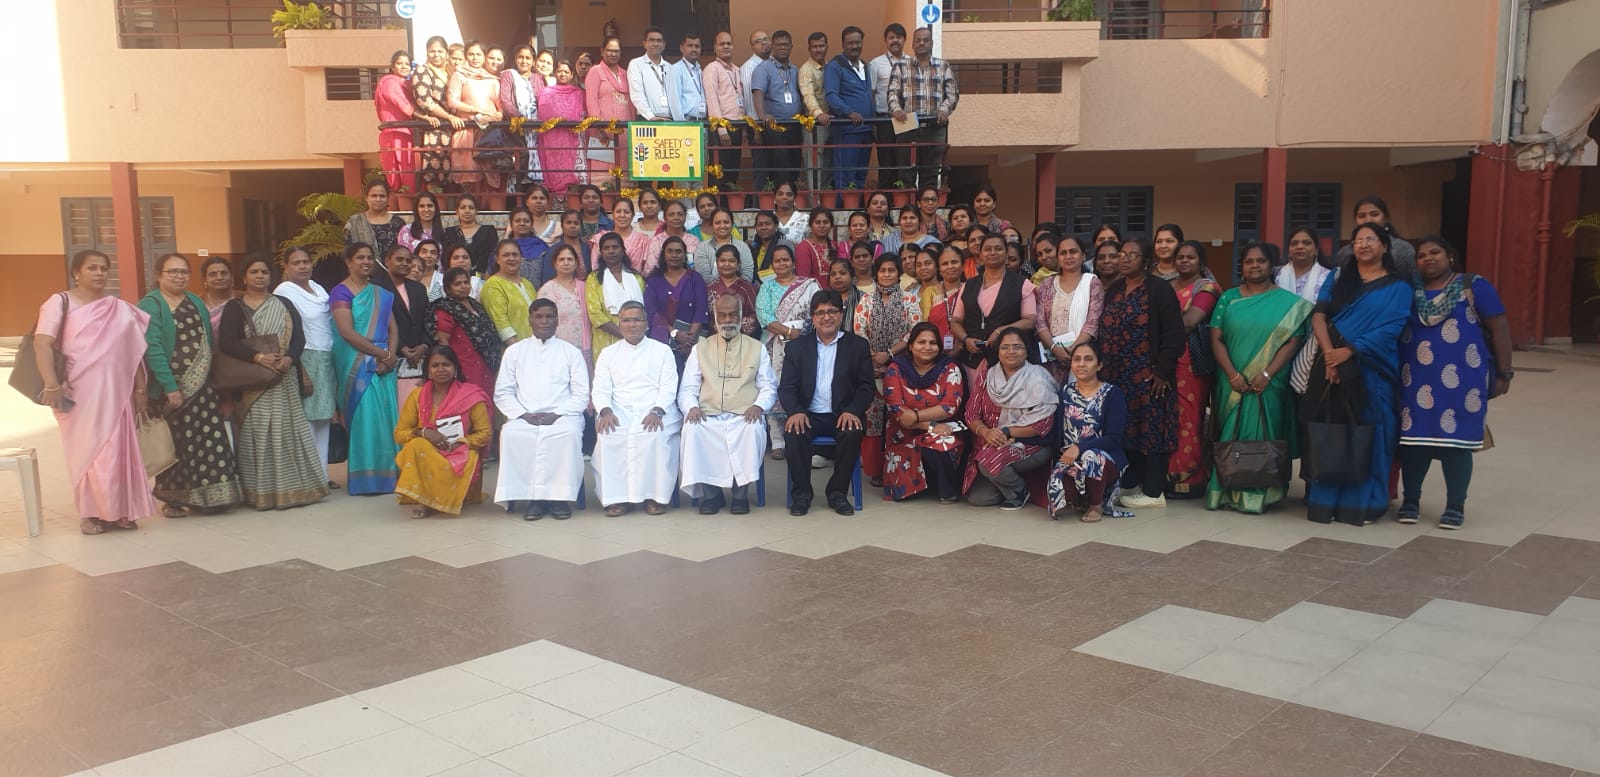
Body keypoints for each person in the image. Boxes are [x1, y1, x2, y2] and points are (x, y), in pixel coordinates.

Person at [35, 250, 157, 534]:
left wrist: (140, 388)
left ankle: (121, 510)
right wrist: (51, 384)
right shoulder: (59, 302)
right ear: (76, 273)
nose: (100, 273)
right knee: (89, 453)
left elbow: (135, 351)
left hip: (118, 391)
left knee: (119, 450)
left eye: (103, 268)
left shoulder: (118, 308)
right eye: (92, 268)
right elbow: (42, 343)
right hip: (79, 391)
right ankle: (91, 514)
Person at [1396, 235, 1512, 530]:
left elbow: (1499, 328)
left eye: (1434, 252)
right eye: (1421, 255)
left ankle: (1455, 506)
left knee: (1456, 444)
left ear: (1449, 256)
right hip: (1415, 379)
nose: (1428, 258)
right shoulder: (1409, 290)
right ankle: (1411, 502)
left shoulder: (1473, 286)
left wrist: (1504, 372)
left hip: (1463, 381)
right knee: (1414, 443)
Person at [1301, 222, 1412, 526]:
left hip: (1371, 369)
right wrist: (1330, 356)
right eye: (1357, 240)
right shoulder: (1338, 278)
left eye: (1370, 239)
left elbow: (1392, 326)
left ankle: (1364, 503)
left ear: (1385, 246)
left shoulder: (1399, 287)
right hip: (1329, 366)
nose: (1362, 244)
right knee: (1332, 432)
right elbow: (1319, 317)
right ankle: (1325, 502)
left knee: (1371, 434)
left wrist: (1350, 352)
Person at [1206, 241, 1312, 514]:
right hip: (1231, 381)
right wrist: (1232, 375)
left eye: (1261, 261)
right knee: (1230, 434)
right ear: (1241, 266)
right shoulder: (1228, 298)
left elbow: (1293, 340)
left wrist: (1267, 373)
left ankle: (1262, 493)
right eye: (1249, 261)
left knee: (1266, 433)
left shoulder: (1288, 303)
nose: (1255, 266)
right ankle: (1225, 491)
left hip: (1269, 383)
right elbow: (1215, 338)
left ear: (1271, 265)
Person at [216, 253, 328, 511]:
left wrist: (290, 358)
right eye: (254, 272)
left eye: (264, 272)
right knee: (258, 433)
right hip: (254, 380)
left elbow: (299, 337)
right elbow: (227, 342)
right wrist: (258, 357)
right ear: (244, 277)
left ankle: (295, 488)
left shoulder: (284, 303)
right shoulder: (235, 307)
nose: (259, 276)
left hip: (283, 378)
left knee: (288, 432)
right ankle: (261, 492)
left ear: (271, 276)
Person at [137, 253, 242, 517]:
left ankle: (213, 498)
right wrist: (170, 386)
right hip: (172, 390)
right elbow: (153, 348)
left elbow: (208, 341)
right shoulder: (151, 304)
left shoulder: (195, 301)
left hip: (203, 388)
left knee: (209, 441)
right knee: (178, 445)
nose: (179, 276)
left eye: (184, 272)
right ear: (159, 275)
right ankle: (174, 499)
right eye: (172, 272)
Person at [1099, 236, 1184, 510]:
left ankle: (1154, 491)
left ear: (1146, 261)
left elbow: (1174, 333)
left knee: (1153, 431)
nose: (1123, 259)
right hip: (1117, 376)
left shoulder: (1159, 290)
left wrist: (1163, 371)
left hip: (1150, 377)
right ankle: (1132, 482)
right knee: (1127, 429)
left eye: (1131, 255)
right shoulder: (1114, 289)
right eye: (1121, 254)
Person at [779, 289, 876, 516]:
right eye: (820, 313)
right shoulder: (796, 347)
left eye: (832, 311)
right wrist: (795, 411)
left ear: (841, 315)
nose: (826, 317)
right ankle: (802, 494)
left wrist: (853, 410)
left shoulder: (857, 346)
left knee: (852, 432)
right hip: (808, 413)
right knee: (794, 433)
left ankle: (837, 493)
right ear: (813, 318)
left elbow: (866, 387)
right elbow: (787, 388)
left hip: (842, 413)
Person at [679, 294, 778, 513]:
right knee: (692, 430)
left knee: (752, 430)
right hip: (708, 414)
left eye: (732, 315)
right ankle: (711, 496)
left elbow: (768, 386)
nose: (727, 320)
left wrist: (759, 406)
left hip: (744, 415)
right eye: (722, 315)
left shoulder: (757, 348)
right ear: (715, 318)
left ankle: (740, 495)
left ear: (741, 317)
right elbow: (687, 388)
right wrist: (691, 407)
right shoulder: (700, 349)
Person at [495, 299, 589, 519]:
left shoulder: (571, 352)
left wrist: (556, 414)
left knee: (567, 434)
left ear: (557, 320)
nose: (544, 321)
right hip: (524, 416)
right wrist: (523, 415)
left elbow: (582, 393)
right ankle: (534, 499)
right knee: (511, 433)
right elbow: (503, 392)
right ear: (530, 320)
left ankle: (559, 499)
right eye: (539, 316)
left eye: (549, 316)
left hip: (563, 415)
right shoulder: (515, 352)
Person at [591, 301, 682, 515]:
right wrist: (605, 411)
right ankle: (618, 498)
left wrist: (657, 411)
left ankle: (655, 496)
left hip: (656, 408)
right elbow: (600, 388)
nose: (632, 325)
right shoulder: (608, 353)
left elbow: (669, 387)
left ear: (646, 323)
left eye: (637, 320)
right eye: (626, 320)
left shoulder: (662, 351)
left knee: (654, 436)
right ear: (619, 324)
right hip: (618, 409)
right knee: (610, 435)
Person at [329, 242, 403, 495]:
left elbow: (393, 328)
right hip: (356, 362)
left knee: (387, 418)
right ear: (348, 262)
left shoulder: (381, 293)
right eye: (360, 257)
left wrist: (390, 356)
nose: (366, 262)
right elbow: (346, 332)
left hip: (384, 364)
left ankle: (392, 477)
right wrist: (383, 354)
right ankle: (368, 480)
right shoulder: (341, 292)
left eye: (370, 257)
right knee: (366, 419)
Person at [962, 327, 1057, 510]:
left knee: (989, 461)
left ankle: (1018, 491)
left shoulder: (1038, 377)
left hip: (1030, 443)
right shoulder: (988, 376)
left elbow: (1042, 425)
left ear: (1026, 351)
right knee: (979, 498)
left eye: (1017, 347)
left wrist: (1005, 432)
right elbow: (971, 414)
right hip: (990, 441)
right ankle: (1005, 478)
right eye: (1005, 347)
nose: (1011, 352)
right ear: (997, 351)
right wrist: (986, 432)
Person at [394, 345, 492, 518]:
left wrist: (461, 443)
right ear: (428, 370)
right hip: (428, 451)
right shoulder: (417, 396)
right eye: (435, 365)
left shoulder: (470, 395)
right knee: (416, 445)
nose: (440, 369)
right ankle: (425, 500)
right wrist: (424, 432)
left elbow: (484, 433)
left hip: (460, 450)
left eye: (446, 365)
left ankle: (448, 496)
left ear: (455, 368)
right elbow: (400, 433)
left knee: (467, 455)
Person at [853, 254, 923, 485]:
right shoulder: (865, 300)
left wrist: (890, 354)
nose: (886, 274)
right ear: (876, 273)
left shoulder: (909, 300)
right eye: (882, 270)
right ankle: (875, 470)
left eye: (891, 270)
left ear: (899, 273)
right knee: (873, 419)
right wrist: (874, 357)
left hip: (902, 367)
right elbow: (859, 330)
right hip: (871, 367)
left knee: (898, 418)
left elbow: (913, 332)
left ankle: (899, 470)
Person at [881, 321, 964, 502]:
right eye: (921, 342)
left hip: (941, 429)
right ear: (910, 346)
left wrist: (916, 416)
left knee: (943, 444)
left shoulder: (949, 368)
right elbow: (896, 409)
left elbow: (950, 406)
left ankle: (946, 490)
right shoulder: (896, 368)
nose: (927, 347)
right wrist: (930, 425)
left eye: (933, 343)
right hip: (903, 432)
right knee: (902, 494)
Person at [1047, 341, 1127, 522]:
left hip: (1103, 460)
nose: (1081, 364)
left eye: (1088, 359)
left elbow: (1113, 438)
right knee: (1061, 499)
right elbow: (1054, 433)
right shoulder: (1065, 392)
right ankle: (1083, 497)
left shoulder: (1112, 394)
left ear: (1099, 365)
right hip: (1070, 460)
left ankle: (1095, 505)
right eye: (1077, 359)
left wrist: (1079, 447)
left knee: (1091, 457)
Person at [1168, 240, 1222, 497]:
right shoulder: (1167, 285)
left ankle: (1191, 478)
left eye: (1190, 257)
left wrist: (1157, 330)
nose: (1184, 261)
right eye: (1180, 257)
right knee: (1168, 418)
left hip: (1191, 363)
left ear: (1201, 261)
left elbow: (1189, 322)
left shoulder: (1207, 288)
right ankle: (1168, 474)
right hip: (1165, 361)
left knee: (1189, 418)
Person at [756, 245, 820, 461]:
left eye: (786, 259)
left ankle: (801, 436)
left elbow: (818, 311)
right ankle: (778, 441)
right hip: (775, 345)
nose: (782, 263)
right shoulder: (767, 287)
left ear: (793, 263)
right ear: (772, 265)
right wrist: (790, 332)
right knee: (774, 387)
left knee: (803, 386)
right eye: (777, 260)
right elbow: (764, 316)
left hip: (805, 344)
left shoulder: (809, 285)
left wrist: (802, 335)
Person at [949, 233, 1037, 370]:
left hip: (1008, 361)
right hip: (972, 360)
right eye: (987, 249)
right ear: (980, 254)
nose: (993, 253)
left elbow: (1030, 321)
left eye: (998, 248)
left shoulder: (1021, 284)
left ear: (1006, 254)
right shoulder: (969, 285)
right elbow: (955, 321)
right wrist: (966, 339)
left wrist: (1000, 331)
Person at [888, 27, 957, 190]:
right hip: (907, 125)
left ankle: (927, 206)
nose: (921, 43)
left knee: (930, 176)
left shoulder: (943, 66)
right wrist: (896, 109)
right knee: (906, 175)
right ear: (912, 44)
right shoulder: (900, 66)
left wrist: (944, 110)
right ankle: (909, 206)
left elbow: (952, 94)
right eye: (918, 40)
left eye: (925, 40)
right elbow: (892, 92)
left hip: (934, 126)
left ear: (931, 43)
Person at [1035, 235, 1103, 385]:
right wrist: (1054, 348)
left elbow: (1092, 322)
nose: (1068, 256)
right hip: (1051, 357)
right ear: (1058, 257)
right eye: (1063, 253)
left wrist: (1075, 350)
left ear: (1083, 255)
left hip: (1082, 357)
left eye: (1073, 251)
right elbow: (1040, 322)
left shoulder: (1092, 283)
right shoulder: (1046, 284)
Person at [431, 266, 502, 401]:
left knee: (488, 398)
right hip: (464, 365)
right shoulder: (446, 309)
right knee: (471, 400)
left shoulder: (475, 304)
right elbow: (443, 341)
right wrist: (450, 368)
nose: (463, 286)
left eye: (466, 282)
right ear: (448, 289)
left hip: (486, 362)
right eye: (457, 284)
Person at [445, 42, 505, 197]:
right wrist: (477, 110)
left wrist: (498, 115)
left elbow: (500, 106)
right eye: (471, 54)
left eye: (478, 54)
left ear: (484, 57)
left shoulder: (493, 80)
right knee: (469, 177)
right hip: (467, 130)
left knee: (490, 177)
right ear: (466, 56)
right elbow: (452, 102)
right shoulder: (459, 75)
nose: (475, 58)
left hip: (489, 133)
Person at [377, 245, 434, 404]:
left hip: (419, 359)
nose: (404, 263)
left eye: (408, 261)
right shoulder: (376, 287)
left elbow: (428, 320)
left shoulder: (418, 288)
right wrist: (401, 347)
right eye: (399, 259)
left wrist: (424, 345)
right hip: (388, 358)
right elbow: (378, 323)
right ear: (387, 261)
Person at [644, 236, 708, 367]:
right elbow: (652, 312)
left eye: (678, 251)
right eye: (670, 251)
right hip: (662, 341)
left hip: (692, 342)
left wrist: (689, 341)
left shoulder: (695, 278)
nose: (674, 255)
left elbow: (701, 311)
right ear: (664, 255)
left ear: (685, 256)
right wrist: (675, 333)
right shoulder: (654, 281)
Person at [750, 30, 802, 190]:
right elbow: (758, 93)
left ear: (791, 46)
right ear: (773, 46)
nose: (783, 48)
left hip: (795, 126)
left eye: (786, 44)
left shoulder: (795, 69)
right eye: (779, 45)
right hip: (775, 128)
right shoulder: (764, 68)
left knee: (795, 165)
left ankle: (791, 199)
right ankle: (779, 200)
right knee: (781, 167)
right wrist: (762, 115)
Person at [825, 26, 874, 195]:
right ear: (843, 45)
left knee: (861, 176)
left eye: (858, 42)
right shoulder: (835, 66)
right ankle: (843, 209)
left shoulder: (865, 66)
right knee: (845, 177)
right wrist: (849, 112)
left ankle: (858, 209)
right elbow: (831, 96)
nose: (855, 46)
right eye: (850, 43)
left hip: (866, 130)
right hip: (847, 131)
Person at [412, 36, 460, 193]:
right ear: (427, 53)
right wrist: (449, 117)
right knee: (436, 180)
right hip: (435, 131)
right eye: (432, 51)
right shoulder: (422, 71)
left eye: (440, 51)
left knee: (456, 179)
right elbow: (424, 101)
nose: (436, 55)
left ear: (446, 52)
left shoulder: (450, 72)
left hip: (453, 130)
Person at [586, 231, 647, 355]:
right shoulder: (594, 279)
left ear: (623, 250)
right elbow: (595, 314)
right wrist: (625, 334)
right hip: (606, 338)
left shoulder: (637, 278)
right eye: (606, 248)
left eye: (615, 247)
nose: (611, 251)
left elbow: (644, 310)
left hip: (636, 338)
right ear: (601, 252)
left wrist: (632, 335)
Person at [866, 24, 911, 187]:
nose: (895, 40)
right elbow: (870, 94)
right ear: (885, 41)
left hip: (907, 120)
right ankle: (885, 196)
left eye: (898, 37)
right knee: (886, 161)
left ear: (904, 40)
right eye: (891, 37)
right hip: (884, 119)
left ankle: (903, 197)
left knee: (905, 161)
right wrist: (873, 123)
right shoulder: (876, 64)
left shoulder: (912, 63)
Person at [705, 31, 749, 194]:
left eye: (729, 43)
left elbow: (741, 100)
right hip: (721, 129)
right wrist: (722, 130)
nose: (726, 46)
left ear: (733, 47)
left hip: (737, 127)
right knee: (719, 173)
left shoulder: (737, 70)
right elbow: (712, 100)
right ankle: (717, 205)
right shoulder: (712, 69)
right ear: (715, 48)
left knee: (733, 172)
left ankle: (730, 206)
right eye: (722, 44)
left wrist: (744, 129)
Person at [584, 38, 632, 187]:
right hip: (602, 133)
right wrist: (600, 127)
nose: (613, 54)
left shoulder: (625, 74)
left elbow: (631, 103)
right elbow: (591, 101)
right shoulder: (595, 71)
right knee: (603, 181)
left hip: (624, 133)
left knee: (625, 178)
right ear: (602, 51)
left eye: (616, 51)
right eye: (610, 50)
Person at [537, 60, 589, 195]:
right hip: (552, 137)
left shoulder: (578, 93)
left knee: (571, 165)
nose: (563, 74)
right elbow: (543, 113)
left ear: (572, 74)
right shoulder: (546, 92)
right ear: (555, 73)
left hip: (572, 136)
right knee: (552, 163)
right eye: (560, 71)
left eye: (566, 71)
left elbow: (582, 114)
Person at [1332, 196, 1416, 277]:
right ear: (1355, 220)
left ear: (1385, 218)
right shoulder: (1345, 253)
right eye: (1361, 216)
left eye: (1374, 214)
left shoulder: (1403, 249)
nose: (1368, 220)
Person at [537, 244, 593, 363]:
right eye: (561, 259)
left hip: (583, 348)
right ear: (554, 263)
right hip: (557, 350)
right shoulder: (547, 290)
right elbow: (542, 322)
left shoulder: (585, 287)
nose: (566, 263)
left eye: (570, 259)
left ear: (576, 263)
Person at [343, 181, 408, 278]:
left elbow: (404, 252)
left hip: (393, 278)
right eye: (374, 196)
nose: (378, 199)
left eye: (382, 196)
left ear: (388, 198)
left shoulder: (398, 223)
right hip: (362, 278)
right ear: (366, 198)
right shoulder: (354, 223)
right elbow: (348, 253)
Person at [498, 45, 543, 186]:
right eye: (520, 57)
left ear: (533, 61)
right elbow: (506, 101)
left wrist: (538, 122)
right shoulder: (508, 75)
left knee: (538, 159)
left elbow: (543, 101)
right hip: (517, 128)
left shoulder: (538, 78)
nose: (524, 61)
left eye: (528, 58)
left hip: (536, 129)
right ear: (515, 59)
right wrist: (522, 120)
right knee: (518, 163)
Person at [375, 50, 418, 194]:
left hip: (407, 134)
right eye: (399, 63)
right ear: (393, 66)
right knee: (399, 175)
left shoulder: (407, 84)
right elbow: (404, 105)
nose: (404, 66)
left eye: (407, 64)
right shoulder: (389, 82)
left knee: (409, 172)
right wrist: (425, 116)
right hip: (395, 134)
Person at [481, 239, 539, 346]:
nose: (511, 258)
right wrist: (517, 350)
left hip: (536, 347)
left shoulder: (527, 284)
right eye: (506, 255)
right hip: (513, 349)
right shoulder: (493, 285)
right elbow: (500, 322)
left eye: (515, 254)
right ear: (497, 259)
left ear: (521, 258)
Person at [799, 32, 833, 195]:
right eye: (815, 47)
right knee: (814, 164)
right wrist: (818, 113)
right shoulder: (806, 69)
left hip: (832, 122)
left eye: (821, 46)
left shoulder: (831, 67)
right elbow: (808, 94)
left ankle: (827, 201)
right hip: (814, 125)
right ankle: (815, 203)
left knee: (829, 164)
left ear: (827, 47)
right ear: (809, 49)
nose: (818, 49)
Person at [709, 243, 760, 338]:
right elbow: (706, 317)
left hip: (742, 339)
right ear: (717, 263)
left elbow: (755, 315)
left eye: (731, 261)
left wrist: (732, 329)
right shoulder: (709, 288)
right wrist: (719, 328)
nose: (727, 264)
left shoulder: (747, 288)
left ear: (738, 264)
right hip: (715, 339)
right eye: (722, 260)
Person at [441, 194, 499, 277]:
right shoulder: (449, 233)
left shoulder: (488, 231)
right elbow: (445, 259)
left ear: (476, 211)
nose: (467, 211)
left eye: (471, 208)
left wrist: (487, 275)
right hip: (455, 278)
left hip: (484, 278)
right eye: (463, 208)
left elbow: (494, 255)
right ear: (457, 211)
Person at [592, 198, 655, 273]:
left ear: (633, 215)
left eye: (627, 212)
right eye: (618, 212)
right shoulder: (600, 238)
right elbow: (595, 267)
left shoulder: (643, 241)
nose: (622, 215)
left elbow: (648, 270)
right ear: (613, 214)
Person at [693, 209, 755, 284]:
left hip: (740, 290)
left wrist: (733, 289)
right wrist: (721, 289)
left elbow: (747, 276)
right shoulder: (702, 248)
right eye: (718, 223)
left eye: (726, 222)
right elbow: (704, 277)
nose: (722, 226)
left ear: (732, 224)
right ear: (712, 226)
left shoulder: (743, 247)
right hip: (710, 290)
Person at [926, 244, 965, 350]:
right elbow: (924, 325)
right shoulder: (930, 292)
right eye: (945, 263)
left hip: (966, 347)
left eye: (954, 262)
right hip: (933, 349)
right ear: (938, 268)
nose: (950, 266)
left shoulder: (969, 289)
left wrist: (959, 346)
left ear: (962, 265)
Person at [628, 27, 672, 121]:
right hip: (647, 119)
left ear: (664, 44)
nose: (656, 44)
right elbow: (637, 94)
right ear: (644, 44)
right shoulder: (636, 64)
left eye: (659, 41)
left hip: (670, 120)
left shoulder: (670, 67)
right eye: (652, 40)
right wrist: (650, 117)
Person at [1279, 227, 1332, 303]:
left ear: (1316, 249)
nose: (1299, 247)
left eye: (1306, 243)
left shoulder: (1328, 277)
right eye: (1294, 243)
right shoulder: (1277, 275)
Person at [647, 200, 700, 270]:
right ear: (665, 218)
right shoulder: (656, 241)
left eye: (680, 214)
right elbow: (649, 269)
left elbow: (699, 267)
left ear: (685, 217)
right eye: (671, 214)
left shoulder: (693, 241)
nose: (676, 218)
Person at [667, 32, 707, 123]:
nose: (694, 49)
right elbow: (674, 101)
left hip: (703, 123)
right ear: (681, 48)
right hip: (687, 122)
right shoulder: (676, 69)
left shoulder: (700, 70)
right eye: (690, 46)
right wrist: (682, 125)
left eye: (697, 46)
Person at [509, 208, 553, 289]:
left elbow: (550, 274)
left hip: (541, 292)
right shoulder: (504, 249)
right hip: (511, 292)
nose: (522, 224)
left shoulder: (542, 246)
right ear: (511, 225)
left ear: (532, 224)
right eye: (518, 221)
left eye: (526, 221)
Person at [749, 210, 796, 282]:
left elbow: (790, 269)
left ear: (776, 226)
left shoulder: (784, 245)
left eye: (768, 224)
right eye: (760, 224)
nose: (764, 227)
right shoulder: (753, 247)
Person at [795, 208, 838, 281]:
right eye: (817, 222)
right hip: (812, 288)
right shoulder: (804, 247)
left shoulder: (834, 245)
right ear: (810, 225)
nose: (822, 225)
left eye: (826, 222)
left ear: (831, 225)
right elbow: (803, 278)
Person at [552, 209, 593, 277]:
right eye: (568, 223)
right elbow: (548, 277)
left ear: (581, 226)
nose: (572, 226)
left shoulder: (589, 248)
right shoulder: (553, 250)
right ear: (562, 226)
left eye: (576, 223)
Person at [740, 30, 772, 118]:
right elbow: (750, 101)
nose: (764, 43)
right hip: (759, 121)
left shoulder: (774, 63)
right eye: (758, 41)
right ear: (752, 47)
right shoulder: (749, 68)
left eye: (766, 39)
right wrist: (758, 122)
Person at [828, 258, 863, 334]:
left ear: (852, 276)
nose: (837, 277)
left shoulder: (864, 299)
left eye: (843, 273)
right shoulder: (822, 300)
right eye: (833, 274)